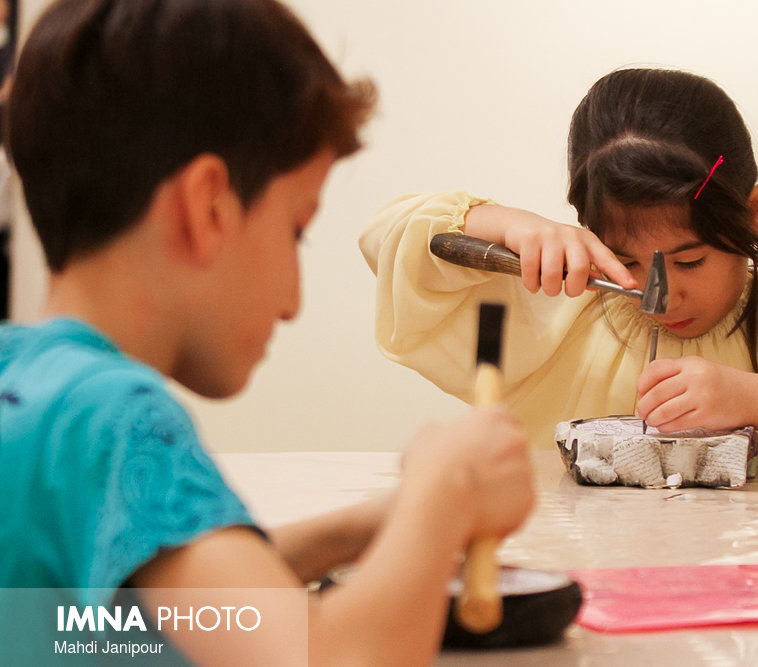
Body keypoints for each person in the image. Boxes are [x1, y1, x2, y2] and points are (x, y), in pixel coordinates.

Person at [0, 1, 534, 665]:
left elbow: (155, 606)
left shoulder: (24, 385)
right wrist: (444, 491)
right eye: (295, 230)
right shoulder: (112, 416)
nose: (293, 303)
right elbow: (331, 657)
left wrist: (371, 524)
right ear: (208, 208)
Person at [360, 67, 758, 472]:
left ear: (753, 215)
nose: (657, 294)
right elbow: (385, 238)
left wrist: (756, 398)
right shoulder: (560, 305)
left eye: (689, 259)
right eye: (630, 261)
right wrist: (505, 222)